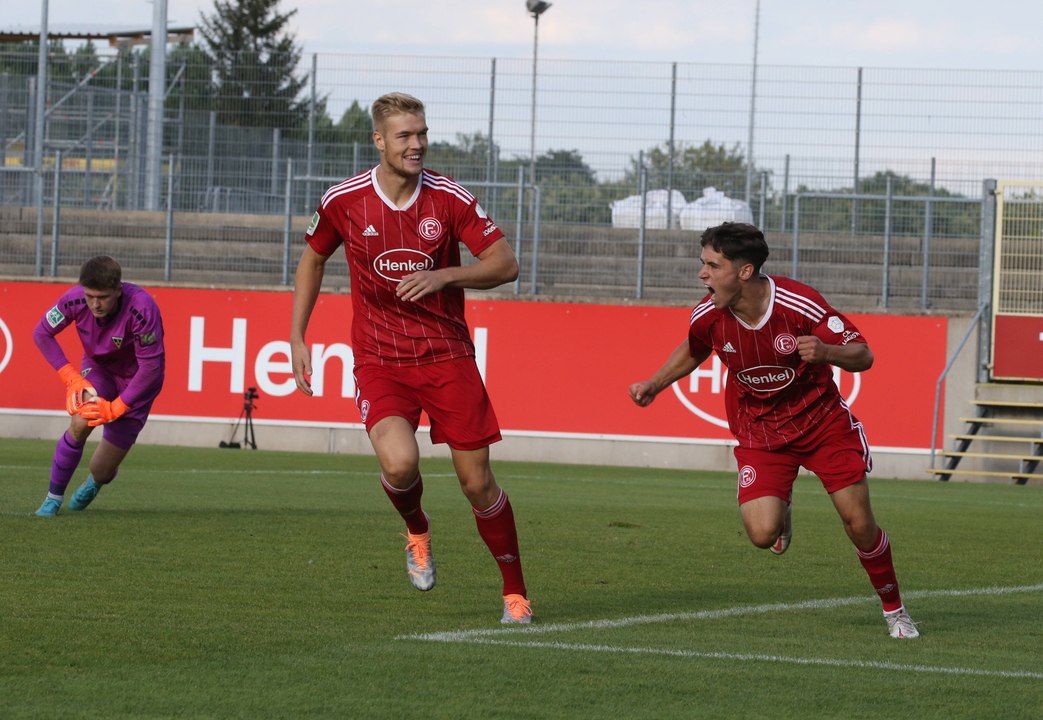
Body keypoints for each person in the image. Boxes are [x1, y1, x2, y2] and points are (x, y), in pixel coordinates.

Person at [290, 92, 531, 624]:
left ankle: (515, 592)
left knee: (477, 483)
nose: (417, 144)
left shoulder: (449, 199)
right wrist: (298, 336)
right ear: (379, 140)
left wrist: (445, 275)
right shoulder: (343, 200)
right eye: (404, 135)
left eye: (421, 133)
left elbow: (506, 263)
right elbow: (312, 260)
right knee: (399, 464)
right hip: (380, 358)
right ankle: (417, 532)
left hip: (447, 357)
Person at [628, 222, 918, 639]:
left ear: (744, 272)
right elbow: (693, 351)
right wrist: (653, 385)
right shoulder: (709, 316)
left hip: (822, 426)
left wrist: (828, 352)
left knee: (858, 523)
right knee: (763, 535)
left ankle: (895, 611)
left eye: (712, 265)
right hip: (760, 432)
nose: (702, 274)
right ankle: (782, 507)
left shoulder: (800, 304)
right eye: (702, 264)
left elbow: (864, 354)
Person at [33, 255, 166, 516]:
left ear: (118, 290)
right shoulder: (74, 299)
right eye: (90, 296)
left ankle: (95, 482)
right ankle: (52, 499)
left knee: (102, 470)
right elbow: (41, 333)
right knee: (82, 420)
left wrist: (117, 407)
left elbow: (151, 368)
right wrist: (71, 376)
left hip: (138, 381)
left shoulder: (142, 308)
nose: (95, 304)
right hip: (99, 370)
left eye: (103, 297)